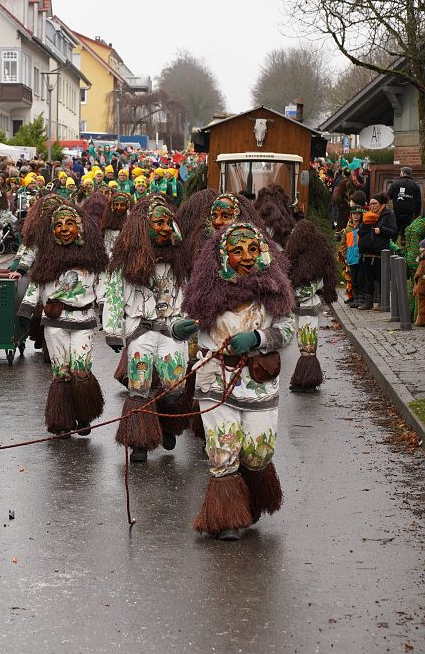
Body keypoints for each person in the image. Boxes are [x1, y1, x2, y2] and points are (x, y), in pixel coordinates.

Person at [175, 222, 295, 540]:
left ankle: (252, 493)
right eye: (237, 250)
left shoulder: (275, 290)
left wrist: (258, 337)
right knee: (223, 448)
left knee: (258, 452)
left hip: (258, 379)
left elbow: (288, 329)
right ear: (222, 256)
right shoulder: (203, 290)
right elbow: (180, 318)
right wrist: (179, 328)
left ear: (262, 253)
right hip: (214, 377)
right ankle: (226, 515)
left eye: (252, 249)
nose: (245, 256)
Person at [105, 197, 189, 463]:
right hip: (140, 330)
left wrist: (190, 323)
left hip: (172, 330)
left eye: (168, 222)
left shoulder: (182, 261)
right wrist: (113, 330)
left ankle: (166, 425)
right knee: (139, 386)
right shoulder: (126, 262)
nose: (165, 228)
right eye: (159, 223)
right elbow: (114, 295)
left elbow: (190, 294)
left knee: (174, 386)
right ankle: (139, 441)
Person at [19, 204, 108, 435]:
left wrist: (110, 320)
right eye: (58, 225)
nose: (64, 229)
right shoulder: (45, 257)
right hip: (54, 322)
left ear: (79, 228)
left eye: (69, 224)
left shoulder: (94, 257)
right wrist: (25, 313)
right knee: (61, 372)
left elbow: (104, 287)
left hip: (84, 319)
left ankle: (84, 415)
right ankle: (62, 419)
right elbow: (35, 286)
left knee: (81, 368)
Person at [283, 219, 338, 392]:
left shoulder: (310, 262)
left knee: (307, 342)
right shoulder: (311, 259)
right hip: (305, 304)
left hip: (307, 304)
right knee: (304, 341)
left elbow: (310, 287)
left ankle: (308, 378)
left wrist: (293, 295)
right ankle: (305, 376)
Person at [357, 193, 398, 309]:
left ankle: (382, 302)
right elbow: (360, 232)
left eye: (374, 203)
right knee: (368, 278)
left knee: (381, 278)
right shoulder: (367, 215)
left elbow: (394, 232)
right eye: (370, 204)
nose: (372, 206)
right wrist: (365, 226)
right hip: (367, 252)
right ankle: (368, 302)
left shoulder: (388, 214)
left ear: (381, 204)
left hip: (380, 252)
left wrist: (381, 230)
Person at [388, 167, 422, 241]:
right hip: (409, 213)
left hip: (397, 212)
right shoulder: (415, 185)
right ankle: (405, 248)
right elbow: (418, 202)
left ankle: (392, 249)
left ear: (403, 173)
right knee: (406, 234)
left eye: (400, 172)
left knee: (394, 232)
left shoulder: (395, 183)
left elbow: (389, 196)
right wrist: (417, 214)